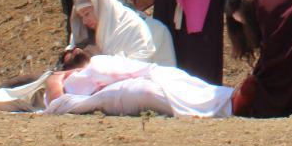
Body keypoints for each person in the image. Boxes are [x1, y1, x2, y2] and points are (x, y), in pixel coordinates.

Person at [0, 0, 172, 113]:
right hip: (81, 85)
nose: (87, 20)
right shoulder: (88, 32)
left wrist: (97, 69)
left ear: (103, 8)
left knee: (46, 100)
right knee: (32, 92)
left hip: (115, 87)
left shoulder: (132, 28)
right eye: (82, 16)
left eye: (89, 14)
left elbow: (139, 62)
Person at [44, 49, 233, 118]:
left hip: (156, 77)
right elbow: (58, 103)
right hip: (149, 83)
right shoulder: (88, 72)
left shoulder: (98, 63)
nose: (75, 51)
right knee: (206, 97)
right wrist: (56, 81)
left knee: (204, 95)